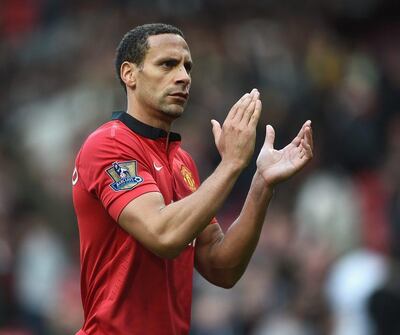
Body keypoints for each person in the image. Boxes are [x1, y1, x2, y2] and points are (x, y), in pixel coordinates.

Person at [72, 23, 313, 335]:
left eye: (187, 66)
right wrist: (231, 165)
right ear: (129, 74)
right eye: (167, 64)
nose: (183, 76)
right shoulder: (109, 145)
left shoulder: (181, 162)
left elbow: (220, 267)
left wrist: (261, 184)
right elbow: (163, 235)